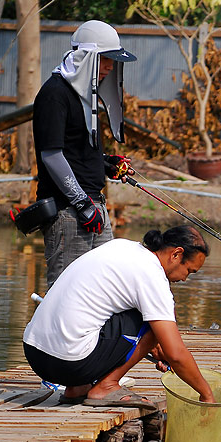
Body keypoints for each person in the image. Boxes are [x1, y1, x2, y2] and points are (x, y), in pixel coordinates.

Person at [23, 225, 216, 407]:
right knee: (156, 320)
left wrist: (154, 346)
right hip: (68, 363)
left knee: (143, 315)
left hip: (35, 354)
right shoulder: (153, 277)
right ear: (176, 254)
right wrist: (206, 394)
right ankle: (106, 386)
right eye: (189, 271)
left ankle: (77, 388)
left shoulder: (123, 246)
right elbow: (176, 354)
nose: (184, 278)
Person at [32, 19, 138, 288]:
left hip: (94, 206)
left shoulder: (85, 95)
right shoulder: (55, 94)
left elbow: (76, 150)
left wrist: (106, 164)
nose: (110, 67)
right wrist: (81, 204)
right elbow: (52, 156)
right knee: (65, 290)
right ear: (86, 58)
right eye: (104, 60)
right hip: (69, 211)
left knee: (104, 287)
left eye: (113, 61)